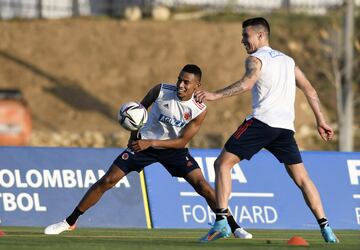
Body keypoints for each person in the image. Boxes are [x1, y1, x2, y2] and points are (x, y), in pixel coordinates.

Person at [44, 64, 252, 239]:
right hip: (143, 145)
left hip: (172, 149)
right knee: (107, 180)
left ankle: (233, 225)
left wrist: (151, 143)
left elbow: (182, 141)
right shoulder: (160, 91)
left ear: (197, 85)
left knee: (202, 185)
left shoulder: (200, 109)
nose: (181, 84)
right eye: (180, 79)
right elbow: (137, 113)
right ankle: (69, 222)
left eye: (186, 82)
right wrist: (134, 137)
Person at [195, 17, 338, 243]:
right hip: (284, 129)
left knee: (222, 164)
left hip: (261, 123)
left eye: (246, 36)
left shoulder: (255, 59)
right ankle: (327, 229)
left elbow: (248, 83)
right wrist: (321, 120)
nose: (243, 40)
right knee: (303, 179)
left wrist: (215, 95)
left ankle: (221, 222)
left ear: (260, 36)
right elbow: (310, 89)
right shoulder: (288, 61)